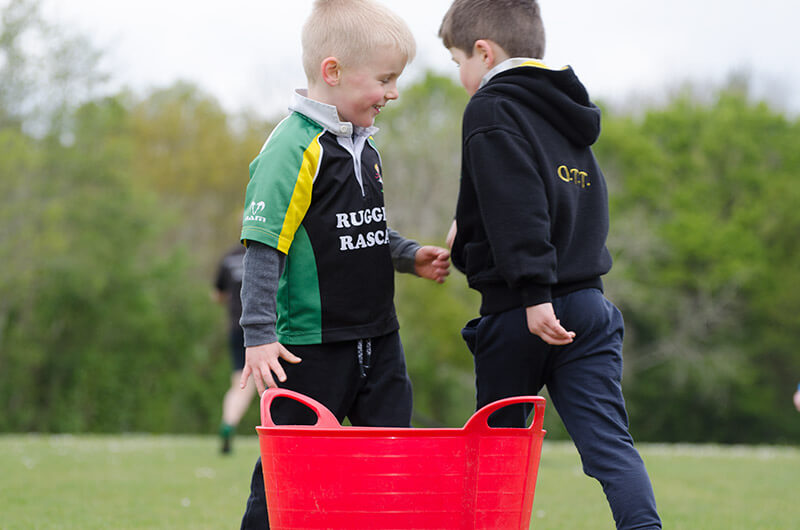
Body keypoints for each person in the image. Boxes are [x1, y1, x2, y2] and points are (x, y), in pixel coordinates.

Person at [438, 1, 661, 529]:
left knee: (497, 454)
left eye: (456, 62)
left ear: (483, 52)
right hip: (589, 306)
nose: (461, 77)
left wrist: (536, 296)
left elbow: (520, 205)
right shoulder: (568, 112)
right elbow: (554, 200)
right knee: (611, 448)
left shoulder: (490, 107)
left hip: (523, 310)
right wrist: (465, 227)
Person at [237, 1, 450, 528]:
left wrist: (406, 254)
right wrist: (258, 334)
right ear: (333, 71)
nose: (393, 92)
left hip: (381, 340)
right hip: (310, 348)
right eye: (385, 78)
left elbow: (359, 228)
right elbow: (264, 246)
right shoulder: (291, 146)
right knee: (291, 478)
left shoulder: (365, 144)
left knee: (387, 468)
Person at [213, 244, 256, 454]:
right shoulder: (272, 250)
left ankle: (229, 422)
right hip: (267, 328)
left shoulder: (228, 257)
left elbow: (218, 295)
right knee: (273, 382)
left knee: (240, 382)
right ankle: (279, 432)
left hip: (237, 327)